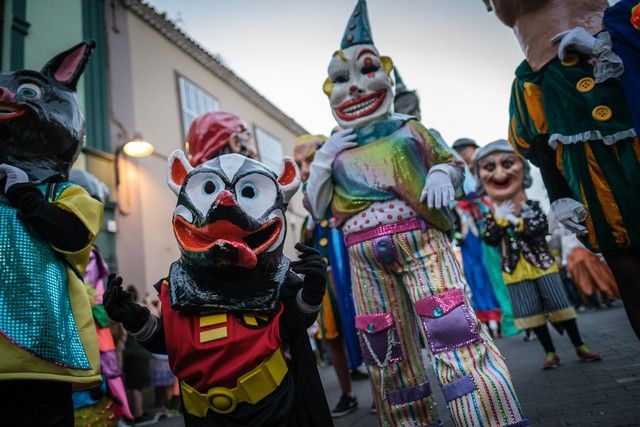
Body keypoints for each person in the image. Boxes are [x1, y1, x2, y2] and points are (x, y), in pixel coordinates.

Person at [306, 2, 527, 426]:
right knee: (384, 350)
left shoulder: (412, 129)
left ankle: (487, 418)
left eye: (366, 71)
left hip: (421, 241)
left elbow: (453, 163)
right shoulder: (333, 151)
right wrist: (323, 160)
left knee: (454, 333)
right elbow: (316, 208)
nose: (352, 87)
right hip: (363, 258)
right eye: (339, 79)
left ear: (386, 77)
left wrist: (445, 171)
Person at [105, 152, 333, 426]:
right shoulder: (177, 286)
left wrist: (312, 289)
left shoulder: (274, 281)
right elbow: (172, 342)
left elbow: (293, 323)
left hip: (270, 411)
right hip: (204, 416)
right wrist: (134, 317)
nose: (224, 203)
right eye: (209, 189)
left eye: (248, 192)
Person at [485, 0, 640, 339]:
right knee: (628, 273)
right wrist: (558, 196)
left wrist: (608, 45)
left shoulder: (628, 25)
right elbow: (541, 144)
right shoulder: (529, 82)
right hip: (593, 178)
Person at [0, 41, 105, 427]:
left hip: (43, 351)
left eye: (27, 91)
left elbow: (73, 237)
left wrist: (25, 195)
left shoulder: (66, 194)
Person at [475, 140, 602, 369]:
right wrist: (499, 220)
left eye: (507, 163)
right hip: (514, 270)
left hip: (542, 264)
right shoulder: (490, 215)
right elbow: (489, 239)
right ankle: (550, 353)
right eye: (490, 167)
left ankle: (579, 345)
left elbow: (541, 228)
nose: (500, 173)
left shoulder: (531, 205)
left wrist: (517, 220)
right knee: (531, 313)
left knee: (559, 305)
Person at [295, 134, 366, 418]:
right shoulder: (308, 213)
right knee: (332, 336)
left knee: (366, 327)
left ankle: (380, 389)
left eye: (309, 161)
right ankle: (348, 394)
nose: (303, 170)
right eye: (300, 163)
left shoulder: (346, 190)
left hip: (354, 272)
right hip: (326, 280)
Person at [453, 138, 519, 337]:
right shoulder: (458, 176)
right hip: (472, 234)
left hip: (498, 227)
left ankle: (515, 317)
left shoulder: (490, 171)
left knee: (503, 272)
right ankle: (500, 319)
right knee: (480, 276)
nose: (464, 155)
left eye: (466, 150)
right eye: (459, 152)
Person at [122, 286, 157, 426]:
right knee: (137, 385)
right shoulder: (140, 308)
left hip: (131, 352)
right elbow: (156, 317)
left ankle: (139, 411)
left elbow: (122, 335)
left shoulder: (122, 312)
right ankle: (138, 414)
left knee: (135, 385)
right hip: (139, 352)